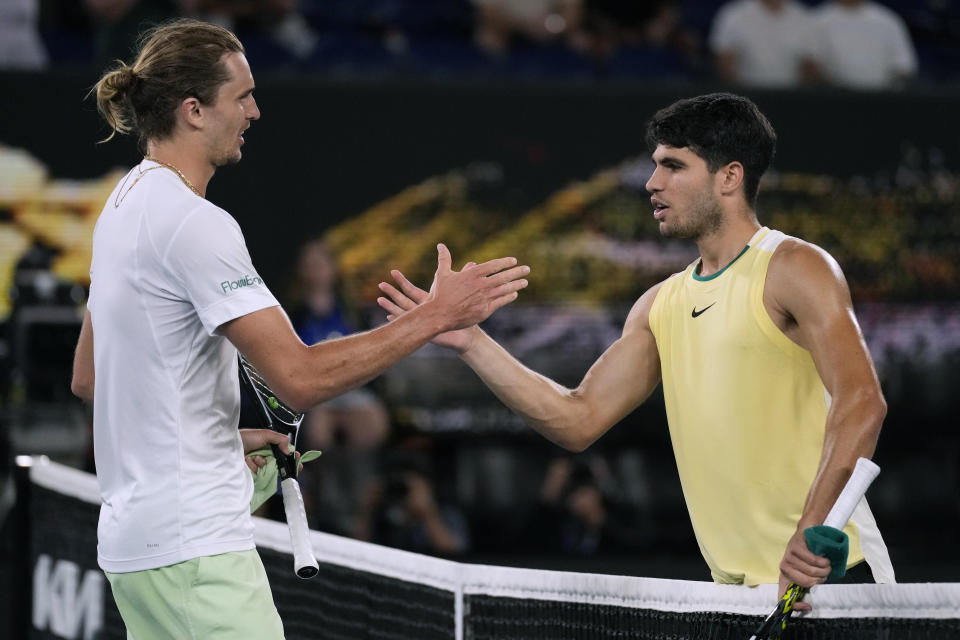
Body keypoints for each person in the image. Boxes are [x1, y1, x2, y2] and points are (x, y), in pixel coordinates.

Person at [70, 19, 529, 638]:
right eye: (243, 97)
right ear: (194, 111)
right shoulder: (193, 223)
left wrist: (212, 443)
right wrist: (436, 316)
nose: (255, 111)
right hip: (196, 552)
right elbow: (301, 379)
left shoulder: (122, 206)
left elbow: (90, 377)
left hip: (140, 551)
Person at [378, 92, 896, 605]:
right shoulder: (660, 305)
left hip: (830, 577)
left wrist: (810, 531)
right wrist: (470, 341)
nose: (652, 183)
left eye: (673, 166)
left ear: (729, 177)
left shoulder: (795, 267)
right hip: (737, 595)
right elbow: (576, 420)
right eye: (655, 166)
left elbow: (862, 403)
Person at [287, 238, 390, 534]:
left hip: (352, 387)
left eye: (321, 263)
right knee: (319, 431)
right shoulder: (291, 312)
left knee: (370, 425)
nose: (316, 270)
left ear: (333, 269)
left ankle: (360, 511)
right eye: (310, 265)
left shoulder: (352, 310)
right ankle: (326, 508)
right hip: (316, 389)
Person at [708, 0, 819, 88]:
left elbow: (809, 64)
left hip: (791, 97)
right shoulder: (734, 14)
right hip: (747, 97)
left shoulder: (803, 16)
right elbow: (724, 62)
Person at [811, 0, 917, 90]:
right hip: (832, 100)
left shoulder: (888, 21)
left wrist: (888, 93)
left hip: (881, 102)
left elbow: (903, 66)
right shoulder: (818, 20)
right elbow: (813, 66)